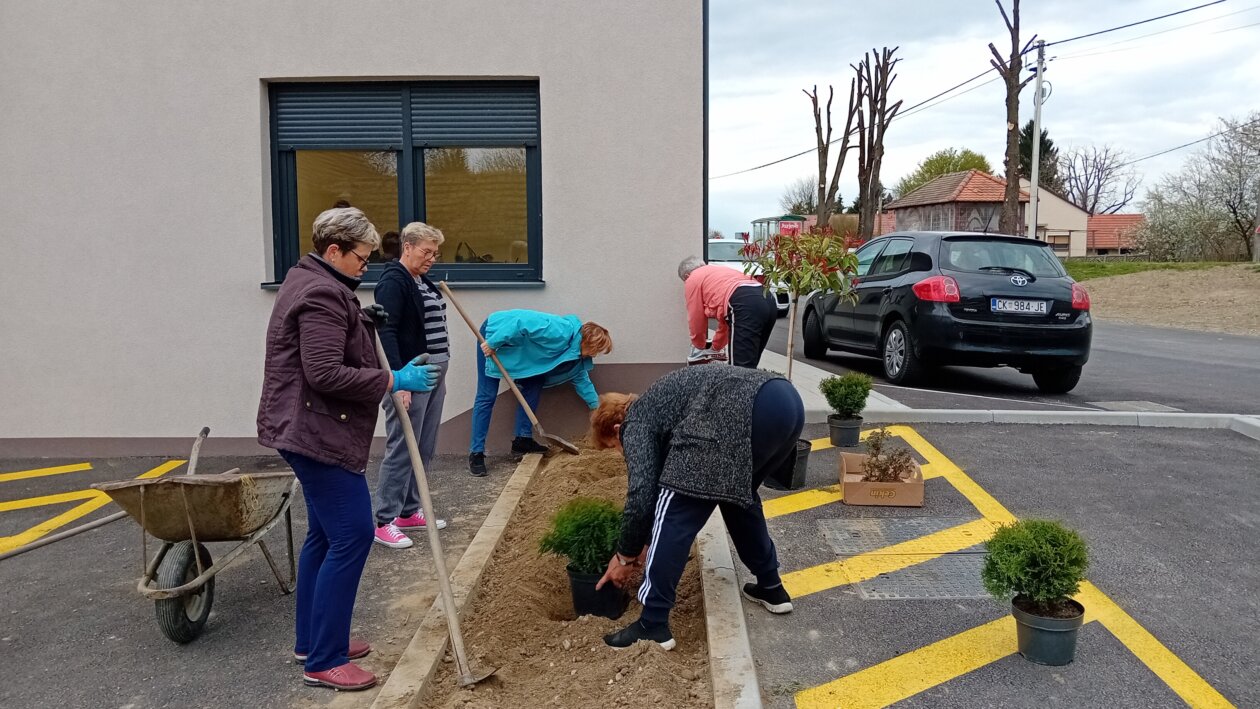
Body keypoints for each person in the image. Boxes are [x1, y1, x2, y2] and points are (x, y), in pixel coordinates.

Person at [257, 207, 441, 691]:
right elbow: (322, 372)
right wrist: (392, 377)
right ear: (333, 250)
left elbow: (328, 336)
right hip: (314, 432)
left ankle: (313, 639)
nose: (367, 266)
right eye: (361, 257)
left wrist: (361, 318)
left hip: (307, 427)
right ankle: (325, 659)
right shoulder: (319, 291)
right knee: (354, 534)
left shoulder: (313, 280)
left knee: (325, 535)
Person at [590, 365, 804, 650]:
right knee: (739, 499)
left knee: (675, 511)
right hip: (784, 400)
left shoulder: (636, 422)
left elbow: (642, 492)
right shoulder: (661, 404)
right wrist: (642, 540)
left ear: (618, 429)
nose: (622, 452)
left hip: (738, 410)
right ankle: (771, 587)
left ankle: (653, 623)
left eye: (615, 446)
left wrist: (626, 556)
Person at [371, 222, 450, 549]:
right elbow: (386, 333)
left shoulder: (421, 279)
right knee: (404, 447)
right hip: (411, 376)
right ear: (407, 247)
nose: (432, 257)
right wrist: (399, 381)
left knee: (425, 445)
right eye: (426, 251)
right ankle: (383, 520)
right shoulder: (394, 281)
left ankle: (408, 510)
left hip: (433, 375)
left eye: (435, 252)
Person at [467, 310, 613, 477]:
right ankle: (476, 453)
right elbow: (520, 322)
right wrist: (492, 342)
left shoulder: (578, 357)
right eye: (596, 349)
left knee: (534, 385)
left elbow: (583, 382)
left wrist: (599, 410)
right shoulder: (560, 330)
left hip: (521, 354)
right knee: (487, 396)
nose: (595, 354)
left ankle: (522, 440)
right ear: (587, 341)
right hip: (496, 335)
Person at [678, 256, 778, 368]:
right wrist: (716, 347)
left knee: (739, 369)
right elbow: (726, 322)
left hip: (743, 301)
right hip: (767, 297)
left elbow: (696, 316)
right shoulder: (719, 272)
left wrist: (699, 346)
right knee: (751, 364)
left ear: (686, 276)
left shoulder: (692, 278)